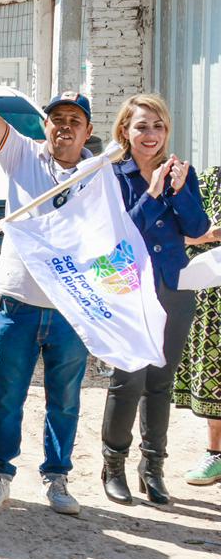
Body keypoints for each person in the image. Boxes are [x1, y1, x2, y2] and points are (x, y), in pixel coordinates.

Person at [0, 35, 93, 515]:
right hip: (21, 301)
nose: (64, 127)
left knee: (64, 400)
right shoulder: (23, 155)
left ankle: (57, 479)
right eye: (57, 119)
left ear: (87, 131)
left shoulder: (100, 175)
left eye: (75, 121)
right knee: (8, 396)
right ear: (45, 125)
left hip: (70, 307)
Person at [98, 95, 210, 504]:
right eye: (142, 126)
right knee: (129, 380)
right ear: (125, 130)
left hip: (174, 287)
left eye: (158, 126)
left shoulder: (184, 172)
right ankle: (113, 465)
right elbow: (117, 231)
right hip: (128, 287)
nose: (151, 135)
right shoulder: (111, 174)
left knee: (160, 382)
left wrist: (179, 190)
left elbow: (197, 226)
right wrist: (154, 190)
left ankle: (154, 467)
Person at [175, 166, 221, 484]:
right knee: (215, 376)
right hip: (213, 299)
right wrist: (214, 234)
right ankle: (215, 453)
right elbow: (176, 233)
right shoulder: (206, 182)